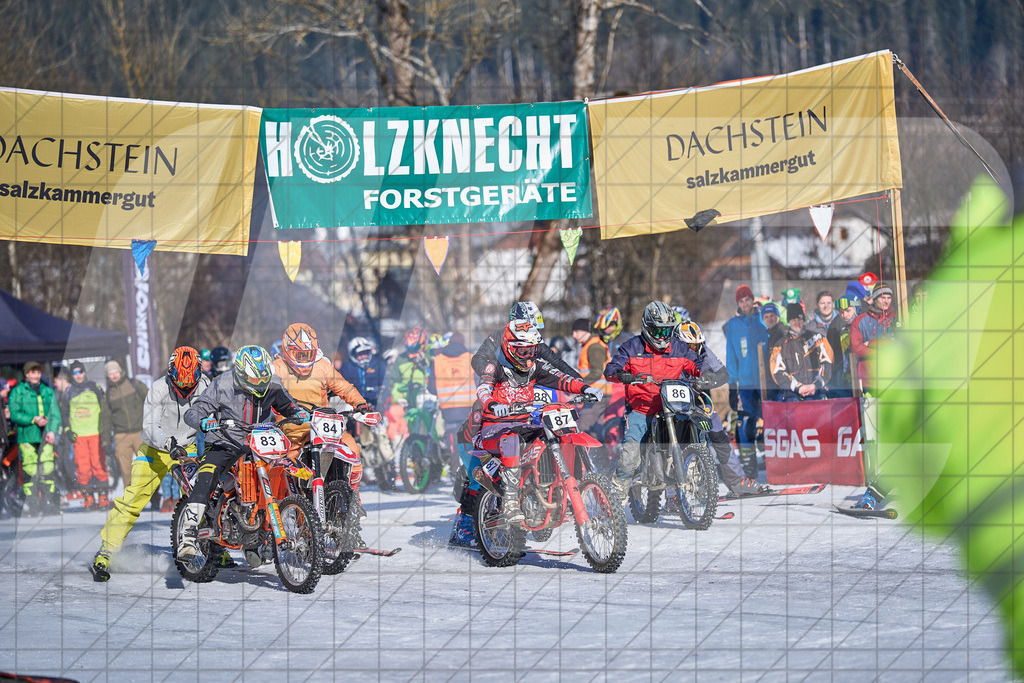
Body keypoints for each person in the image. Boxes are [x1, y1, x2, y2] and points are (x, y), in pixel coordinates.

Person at [449, 320, 601, 544]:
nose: (528, 356)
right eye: (523, 350)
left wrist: (585, 387)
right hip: (490, 430)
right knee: (480, 474)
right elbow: (484, 388)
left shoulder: (534, 367)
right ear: (510, 348)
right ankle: (508, 502)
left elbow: (561, 379)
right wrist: (493, 404)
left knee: (549, 435)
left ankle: (549, 491)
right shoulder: (495, 366)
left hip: (521, 424)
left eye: (532, 350)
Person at [177, 346, 309, 565]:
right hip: (224, 442)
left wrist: (297, 412)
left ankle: (270, 534)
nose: (260, 384)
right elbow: (195, 411)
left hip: (260, 443)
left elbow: (287, 405)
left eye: (263, 379)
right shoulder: (221, 384)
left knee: (284, 472)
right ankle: (188, 536)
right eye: (254, 379)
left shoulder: (274, 383)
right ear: (240, 372)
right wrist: (203, 421)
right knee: (207, 475)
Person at [91, 347, 212, 580]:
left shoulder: (206, 385)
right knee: (133, 499)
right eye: (180, 383)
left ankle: (213, 548)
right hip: (154, 449)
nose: (185, 389)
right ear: (171, 373)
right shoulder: (158, 388)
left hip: (187, 449)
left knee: (200, 496)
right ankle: (106, 550)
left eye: (190, 384)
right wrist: (168, 443)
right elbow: (149, 425)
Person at [604, 301, 702, 497]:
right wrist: (621, 374)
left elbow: (697, 363)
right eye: (658, 331)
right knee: (631, 452)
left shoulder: (679, 348)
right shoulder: (631, 347)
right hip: (641, 408)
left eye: (667, 331)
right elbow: (611, 369)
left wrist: (707, 373)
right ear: (647, 328)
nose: (662, 336)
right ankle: (617, 493)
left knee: (696, 425)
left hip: (673, 407)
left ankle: (697, 470)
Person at [675, 321, 766, 497]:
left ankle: (736, 481)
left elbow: (723, 373)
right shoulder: (667, 354)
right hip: (673, 405)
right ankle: (674, 493)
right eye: (691, 345)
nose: (696, 348)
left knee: (719, 436)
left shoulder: (702, 351)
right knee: (673, 443)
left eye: (698, 344)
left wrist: (706, 380)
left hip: (698, 401)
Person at [271, 323, 369, 474]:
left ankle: (352, 488)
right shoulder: (277, 368)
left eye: (309, 354)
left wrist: (360, 403)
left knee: (353, 449)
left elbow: (344, 387)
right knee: (283, 467)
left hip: (323, 425)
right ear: (288, 350)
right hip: (291, 431)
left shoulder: (322, 366)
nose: (305, 359)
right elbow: (263, 393)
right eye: (300, 355)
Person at [723, 285, 767, 478]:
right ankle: (749, 464)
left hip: (765, 383)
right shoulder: (733, 325)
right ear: (738, 304)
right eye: (741, 301)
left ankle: (773, 459)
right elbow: (731, 356)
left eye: (748, 299)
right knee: (745, 423)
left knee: (767, 420)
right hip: (745, 383)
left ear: (752, 300)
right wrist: (732, 386)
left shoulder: (763, 318)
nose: (745, 304)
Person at [471, 302, 581, 380]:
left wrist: (578, 379)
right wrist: (491, 376)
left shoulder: (535, 340)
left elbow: (555, 361)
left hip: (526, 386)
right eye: (532, 328)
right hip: (501, 387)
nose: (534, 333)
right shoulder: (500, 335)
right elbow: (478, 358)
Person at [8, 362, 62, 515]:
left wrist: (52, 431)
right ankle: (32, 506)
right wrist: (33, 419)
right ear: (26, 374)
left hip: (46, 436)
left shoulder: (47, 391)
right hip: (28, 436)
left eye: (38, 372)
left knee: (47, 469)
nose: (36, 375)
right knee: (30, 470)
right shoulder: (18, 392)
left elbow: (55, 414)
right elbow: (14, 414)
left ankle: (48, 504)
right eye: (33, 372)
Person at [60, 360, 110, 509]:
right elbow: (64, 414)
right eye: (75, 373)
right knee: (83, 469)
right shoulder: (68, 392)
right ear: (71, 375)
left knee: (99, 465)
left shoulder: (94, 387)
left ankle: (103, 497)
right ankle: (88, 498)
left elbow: (105, 408)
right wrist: (68, 430)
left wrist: (107, 430)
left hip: (96, 434)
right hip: (79, 436)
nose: (78, 375)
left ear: (84, 372)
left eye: (80, 372)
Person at [768, 303, 834, 401]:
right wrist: (798, 387)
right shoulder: (780, 345)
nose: (797, 323)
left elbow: (828, 362)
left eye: (799, 319)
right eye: (793, 320)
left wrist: (816, 385)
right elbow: (777, 371)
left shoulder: (818, 339)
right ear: (789, 321)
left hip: (817, 392)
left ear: (803, 320)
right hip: (793, 395)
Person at [101, 360, 147, 490]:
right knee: (126, 469)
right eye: (111, 373)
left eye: (116, 372)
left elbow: (151, 401)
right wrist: (105, 441)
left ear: (120, 372)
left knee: (147, 465)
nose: (114, 375)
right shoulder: (108, 395)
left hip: (141, 432)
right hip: (121, 435)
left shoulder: (135, 384)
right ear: (107, 375)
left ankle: (152, 494)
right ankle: (131, 496)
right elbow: (105, 419)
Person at [386, 327, 433, 445]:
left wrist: (426, 366)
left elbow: (435, 376)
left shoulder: (429, 357)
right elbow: (394, 382)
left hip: (427, 399)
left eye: (415, 349)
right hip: (408, 401)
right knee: (411, 430)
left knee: (431, 427)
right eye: (410, 349)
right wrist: (398, 397)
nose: (412, 353)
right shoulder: (400, 359)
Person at [850, 282, 897, 392]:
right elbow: (856, 348)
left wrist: (870, 344)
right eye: (883, 298)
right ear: (875, 299)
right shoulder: (859, 321)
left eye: (889, 298)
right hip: (868, 380)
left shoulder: (895, 319)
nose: (886, 301)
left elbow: (896, 344)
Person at [428, 331, 476, 435]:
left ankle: (451, 444)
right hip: (469, 410)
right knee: (468, 437)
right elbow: (481, 384)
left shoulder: (437, 361)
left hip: (448, 412)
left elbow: (431, 388)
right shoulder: (471, 359)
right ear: (463, 343)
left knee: (452, 438)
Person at [339, 337, 387, 410]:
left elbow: (385, 383)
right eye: (360, 354)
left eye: (365, 353)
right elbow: (345, 388)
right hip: (354, 404)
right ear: (353, 354)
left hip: (374, 403)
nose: (363, 356)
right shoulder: (347, 367)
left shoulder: (378, 365)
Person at [825, 297, 858, 398]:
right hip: (843, 372)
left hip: (860, 371)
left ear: (856, 308)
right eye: (841, 312)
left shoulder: (864, 324)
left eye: (848, 311)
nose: (844, 315)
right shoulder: (836, 326)